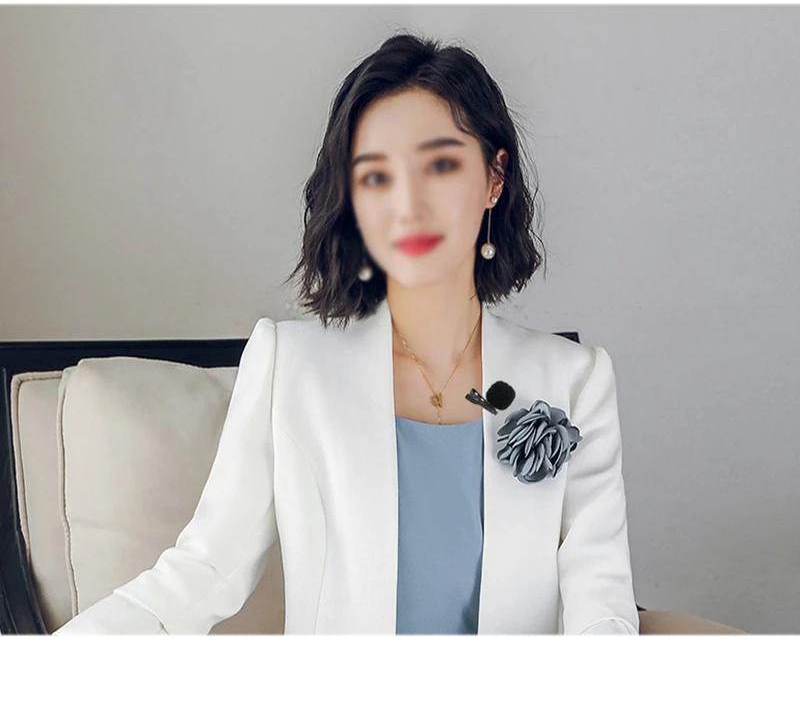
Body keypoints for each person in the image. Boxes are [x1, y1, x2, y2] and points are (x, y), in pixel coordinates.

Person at [54, 32, 639, 635]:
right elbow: (205, 571)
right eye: (377, 176)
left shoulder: (575, 380)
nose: (409, 205)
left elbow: (601, 602)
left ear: (495, 177)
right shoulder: (290, 364)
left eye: (439, 165)